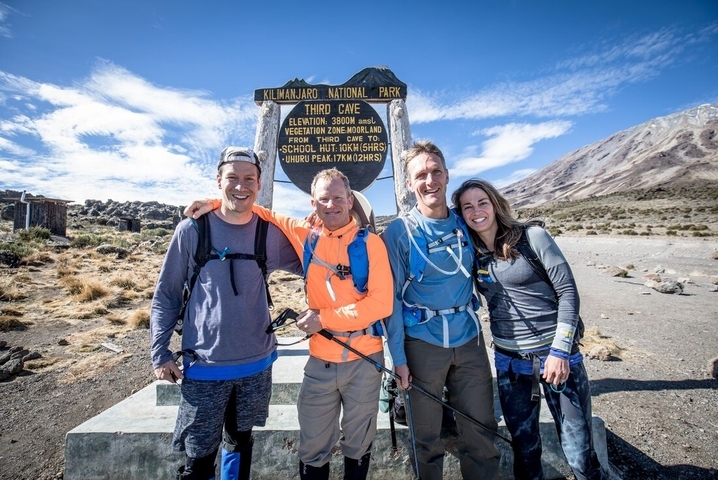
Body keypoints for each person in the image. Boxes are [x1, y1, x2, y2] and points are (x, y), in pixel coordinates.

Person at [185, 167, 393, 480]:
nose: (331, 205)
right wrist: (216, 203)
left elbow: (380, 304)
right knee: (312, 444)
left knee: (358, 443)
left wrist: (323, 318)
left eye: (338, 198)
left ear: (350, 200)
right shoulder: (304, 234)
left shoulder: (372, 244)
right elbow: (258, 209)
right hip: (321, 360)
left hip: (365, 360)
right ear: (313, 203)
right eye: (324, 199)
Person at [150, 146, 302, 480]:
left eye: (249, 178)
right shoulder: (192, 231)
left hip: (256, 365)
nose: (241, 185)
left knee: (239, 445)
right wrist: (159, 353)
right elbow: (167, 293)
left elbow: (314, 262)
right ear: (218, 180)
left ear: (259, 184)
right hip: (204, 366)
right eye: (232, 178)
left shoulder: (269, 234)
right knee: (198, 457)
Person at [451, 178, 605, 480]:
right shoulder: (470, 254)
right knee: (525, 448)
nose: (476, 211)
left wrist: (560, 350)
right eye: (467, 207)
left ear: (495, 204)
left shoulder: (533, 237)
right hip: (511, 365)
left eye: (482, 202)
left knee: (579, 451)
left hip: (558, 359)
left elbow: (568, 293)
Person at [380, 140, 500, 480]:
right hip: (421, 345)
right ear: (409, 183)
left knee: (480, 428)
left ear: (447, 176)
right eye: (421, 175)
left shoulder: (468, 223)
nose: (429, 180)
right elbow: (390, 302)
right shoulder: (399, 233)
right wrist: (398, 359)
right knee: (426, 436)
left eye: (435, 172)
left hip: (469, 341)